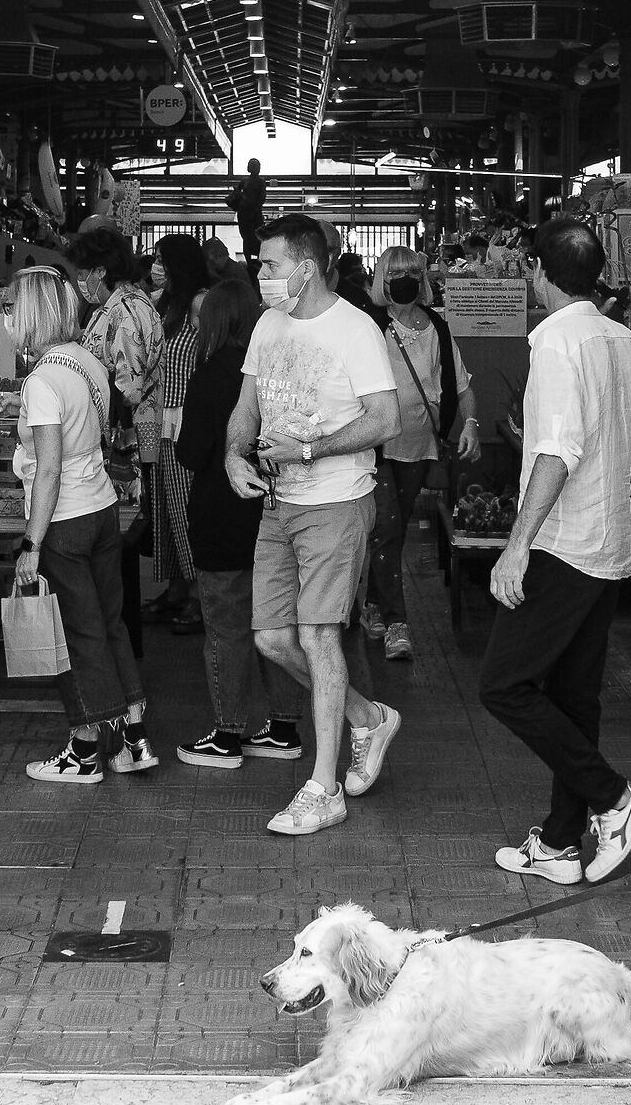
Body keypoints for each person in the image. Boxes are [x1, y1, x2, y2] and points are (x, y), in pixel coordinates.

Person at [480, 219, 631, 886]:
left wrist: (516, 547)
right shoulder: (617, 337)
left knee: (503, 684)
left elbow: (558, 450)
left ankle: (614, 797)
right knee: (574, 696)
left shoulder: (556, 341)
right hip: (610, 536)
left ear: (537, 271)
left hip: (564, 541)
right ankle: (559, 841)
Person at [226, 212, 402, 837]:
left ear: (306, 267)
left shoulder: (356, 329)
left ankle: (324, 788)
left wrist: (308, 449)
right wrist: (233, 455)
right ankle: (368, 718)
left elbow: (386, 421)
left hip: (336, 500)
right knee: (273, 640)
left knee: (319, 636)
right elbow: (246, 406)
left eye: (269, 266)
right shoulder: (268, 324)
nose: (261, 276)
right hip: (278, 502)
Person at [8, 267, 156, 782]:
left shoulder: (41, 381)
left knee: (76, 635)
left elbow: (48, 469)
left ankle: (85, 748)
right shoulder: (88, 362)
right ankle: (134, 739)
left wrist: (31, 542)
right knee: (110, 626)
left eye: (11, 307)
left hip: (64, 521)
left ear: (29, 314)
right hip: (100, 510)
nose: (7, 317)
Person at [173, 276, 301, 768]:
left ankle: (227, 735)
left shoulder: (211, 373)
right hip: (275, 508)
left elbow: (191, 451)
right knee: (275, 623)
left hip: (221, 515)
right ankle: (284, 728)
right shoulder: (276, 368)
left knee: (226, 627)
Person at [363, 245, 479, 659]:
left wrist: (470, 424)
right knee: (389, 528)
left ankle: (373, 603)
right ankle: (397, 624)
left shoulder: (438, 329)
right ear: (383, 281)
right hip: (376, 448)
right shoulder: (371, 327)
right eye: (396, 274)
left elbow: (461, 385)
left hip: (420, 444)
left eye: (412, 272)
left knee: (394, 529)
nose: (405, 281)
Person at [66, 223, 164, 658]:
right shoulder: (133, 302)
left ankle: (121, 648)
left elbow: (127, 387)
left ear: (99, 270)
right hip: (135, 434)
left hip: (126, 439)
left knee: (118, 544)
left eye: (82, 271)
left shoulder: (121, 312)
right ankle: (123, 643)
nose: (78, 281)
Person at [145, 233, 211, 630]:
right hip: (159, 422)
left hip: (189, 421)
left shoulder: (202, 303)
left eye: (161, 260)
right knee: (164, 506)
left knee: (189, 507)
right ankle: (176, 590)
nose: (155, 267)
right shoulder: (163, 306)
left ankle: (202, 597)